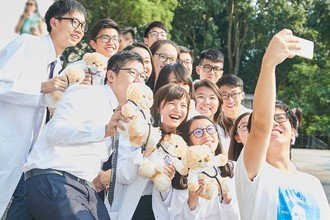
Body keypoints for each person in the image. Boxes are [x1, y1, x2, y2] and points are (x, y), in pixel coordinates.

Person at [23, 51, 146, 219]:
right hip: (55, 179)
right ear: (111, 76)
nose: (139, 80)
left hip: (87, 190)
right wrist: (103, 130)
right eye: (133, 73)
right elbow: (54, 133)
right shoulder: (85, 93)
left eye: (143, 76)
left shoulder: (123, 116)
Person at [0, 0, 86, 218]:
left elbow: (40, 105)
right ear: (54, 22)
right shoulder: (27, 43)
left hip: (23, 155)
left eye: (83, 26)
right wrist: (40, 88)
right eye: (74, 21)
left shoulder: (57, 65)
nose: (79, 29)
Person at [235, 29, 330, 219]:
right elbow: (261, 126)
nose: (272, 124)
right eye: (268, 119)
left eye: (280, 118)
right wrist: (269, 64)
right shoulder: (253, 174)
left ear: (293, 130)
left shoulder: (311, 184)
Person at [109, 84, 189, 220]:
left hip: (157, 213)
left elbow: (172, 201)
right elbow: (123, 175)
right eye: (171, 103)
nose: (177, 110)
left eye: (183, 105)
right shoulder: (137, 131)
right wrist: (145, 153)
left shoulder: (180, 146)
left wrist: (167, 181)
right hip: (131, 209)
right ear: (158, 107)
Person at [169, 115, 240, 219]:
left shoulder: (232, 168)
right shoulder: (183, 175)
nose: (206, 135)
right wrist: (192, 198)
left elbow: (239, 216)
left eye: (210, 129)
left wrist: (226, 196)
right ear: (188, 141)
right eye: (198, 132)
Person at [216, 74, 251, 153]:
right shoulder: (213, 120)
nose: (230, 99)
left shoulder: (252, 117)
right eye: (224, 95)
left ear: (242, 95)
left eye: (234, 94)